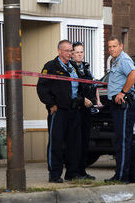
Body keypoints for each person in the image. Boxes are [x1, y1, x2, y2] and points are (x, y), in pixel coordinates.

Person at [37, 40, 82, 183]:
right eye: (67, 51)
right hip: (59, 111)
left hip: (73, 110)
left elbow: (80, 85)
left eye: (71, 51)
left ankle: (72, 173)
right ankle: (55, 174)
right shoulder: (51, 66)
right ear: (60, 51)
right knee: (56, 143)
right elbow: (42, 88)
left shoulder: (74, 67)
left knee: (73, 143)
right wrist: (51, 104)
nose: (70, 54)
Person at [104, 36, 135, 184]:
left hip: (124, 104)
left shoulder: (123, 60)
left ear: (121, 46)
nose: (111, 49)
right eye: (109, 47)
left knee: (122, 141)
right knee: (127, 141)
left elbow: (134, 74)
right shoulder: (116, 60)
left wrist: (122, 92)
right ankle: (133, 175)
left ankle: (121, 176)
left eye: (114, 46)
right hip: (118, 105)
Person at [69, 41, 101, 180]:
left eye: (81, 52)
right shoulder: (70, 68)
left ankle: (82, 171)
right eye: (77, 52)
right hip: (76, 108)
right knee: (75, 141)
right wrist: (83, 100)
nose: (80, 54)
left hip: (87, 109)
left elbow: (93, 84)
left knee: (84, 141)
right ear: (72, 54)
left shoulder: (86, 67)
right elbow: (71, 89)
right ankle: (73, 172)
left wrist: (97, 100)